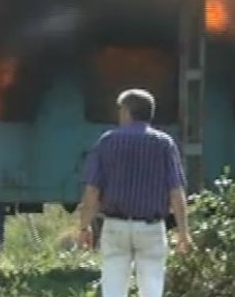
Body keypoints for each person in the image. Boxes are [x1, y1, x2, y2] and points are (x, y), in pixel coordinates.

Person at [78, 89, 192, 297]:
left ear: (126, 111)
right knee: (151, 286)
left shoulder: (108, 141)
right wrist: (183, 232)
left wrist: (84, 226)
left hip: (115, 225)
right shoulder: (164, 143)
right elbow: (176, 191)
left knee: (113, 284)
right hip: (151, 226)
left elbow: (93, 190)